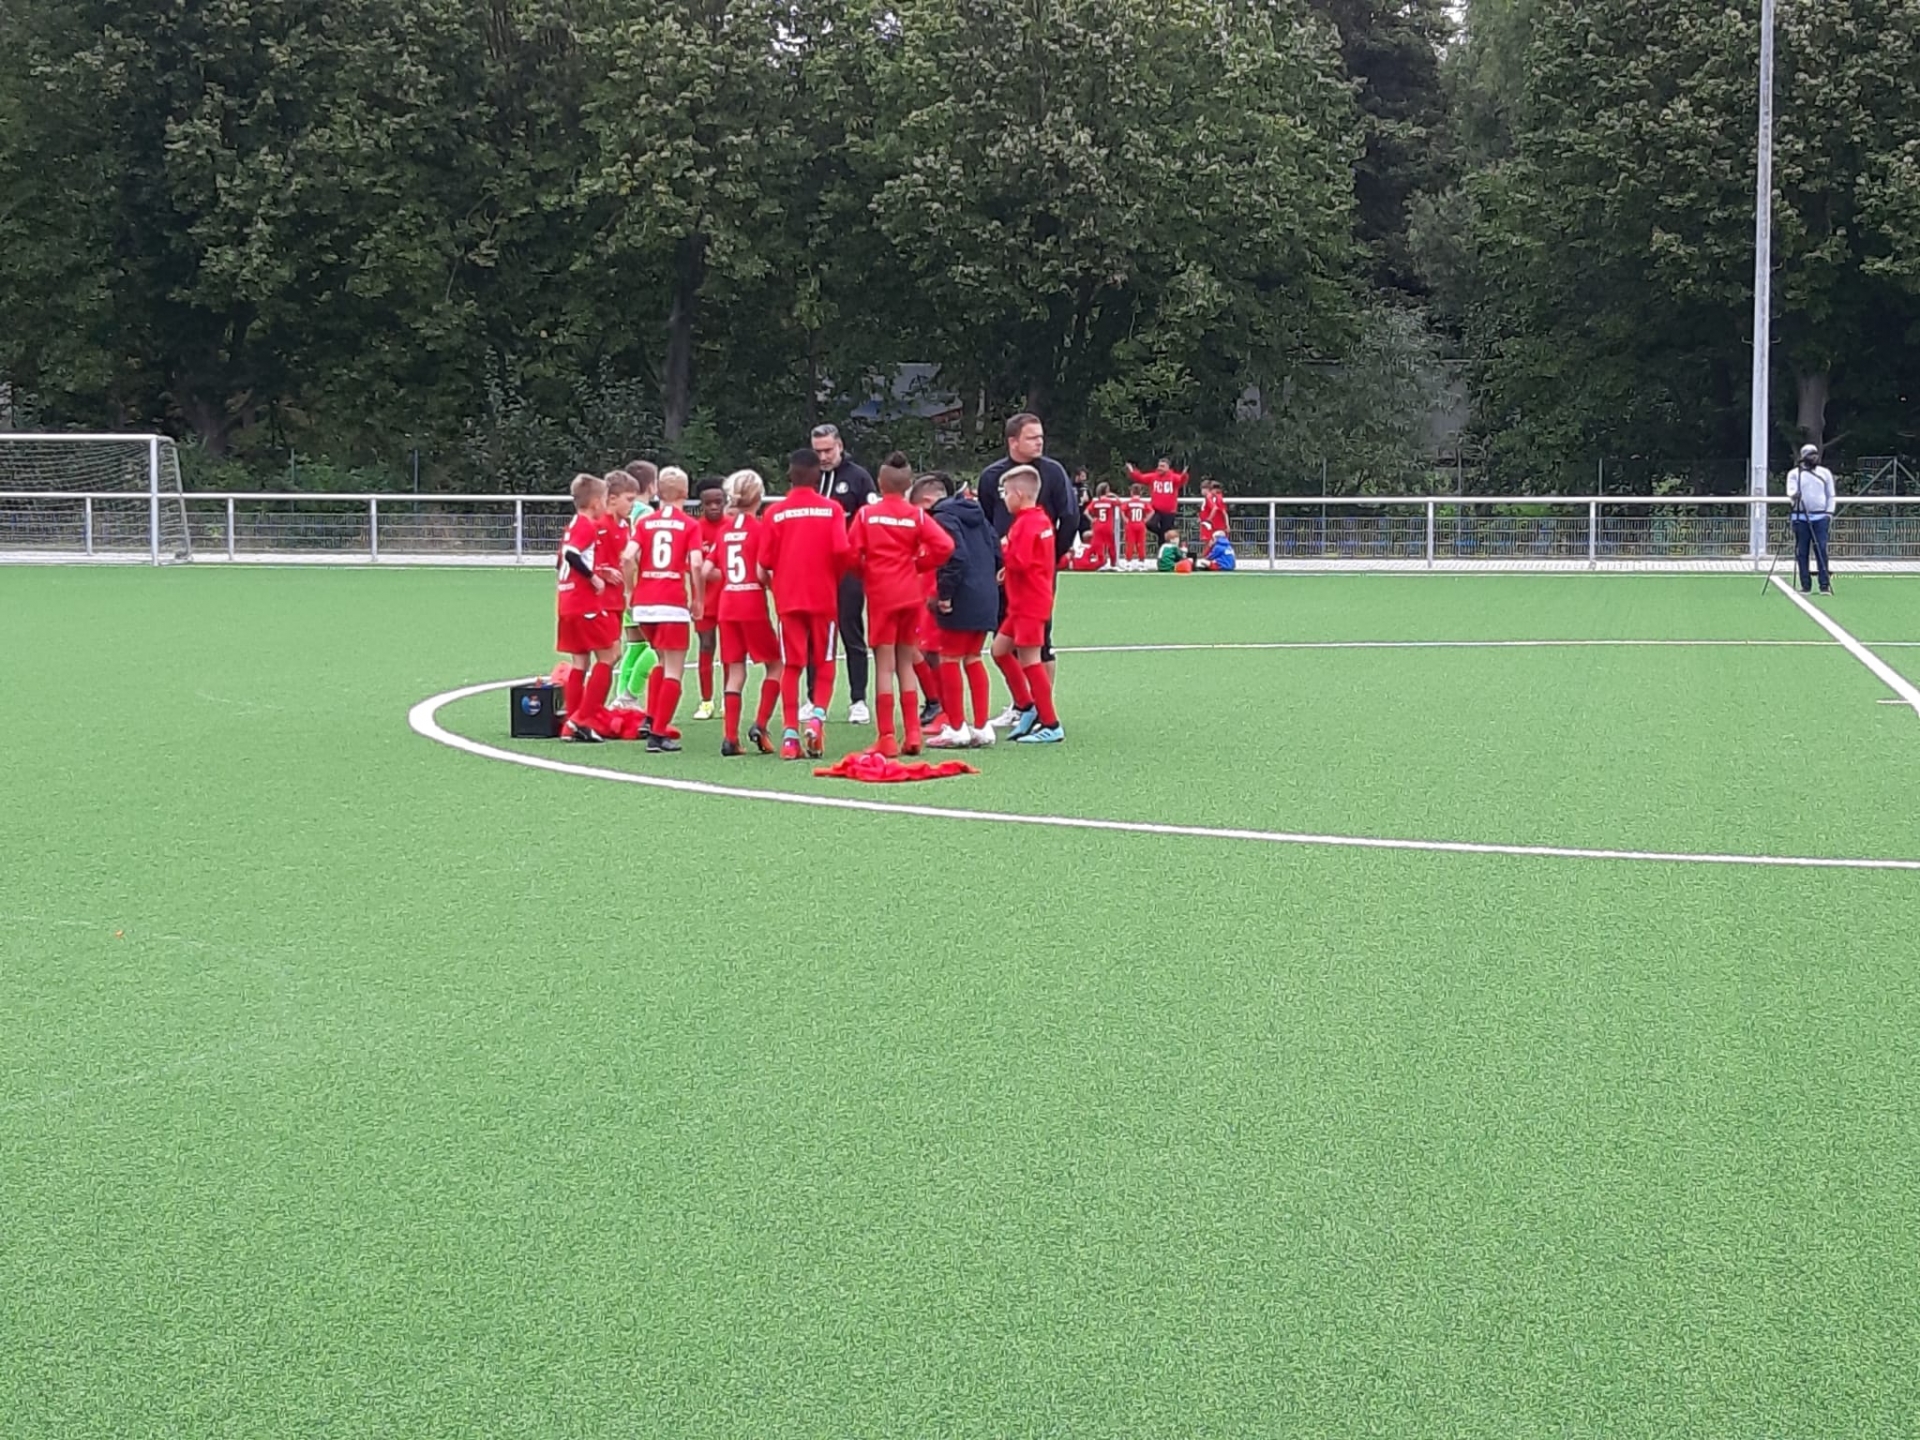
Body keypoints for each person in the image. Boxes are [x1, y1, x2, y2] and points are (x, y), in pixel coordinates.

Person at [848, 452, 955, 757]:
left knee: (884, 666)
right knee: (906, 661)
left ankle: (886, 736)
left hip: (881, 595)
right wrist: (919, 564)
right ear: (909, 486)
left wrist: (866, 571)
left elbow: (849, 553)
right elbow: (945, 546)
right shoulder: (916, 516)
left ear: (879, 483)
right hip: (910, 593)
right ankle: (912, 734)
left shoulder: (866, 515)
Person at [978, 413, 1079, 714]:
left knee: (1039, 640)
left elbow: (1070, 516)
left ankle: (1044, 710)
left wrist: (1050, 558)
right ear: (1013, 441)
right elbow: (985, 521)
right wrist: (994, 560)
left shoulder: (1053, 472)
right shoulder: (992, 476)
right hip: (1002, 572)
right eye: (1032, 437)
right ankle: (1021, 704)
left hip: (1036, 573)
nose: (1039, 442)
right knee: (1004, 638)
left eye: (1041, 437)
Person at [760, 449, 852, 759]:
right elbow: (842, 551)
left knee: (792, 664)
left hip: (788, 598)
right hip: (823, 596)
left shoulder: (774, 512)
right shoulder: (832, 509)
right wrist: (832, 578)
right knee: (825, 661)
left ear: (790, 474)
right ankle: (817, 719)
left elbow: (765, 559)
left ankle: (789, 736)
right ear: (817, 475)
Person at [922, 472, 1003, 749]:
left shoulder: (943, 518)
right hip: (986, 594)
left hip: (961, 595)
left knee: (949, 658)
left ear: (928, 500)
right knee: (973, 657)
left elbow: (954, 556)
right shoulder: (978, 514)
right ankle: (981, 726)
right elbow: (997, 550)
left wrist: (945, 594)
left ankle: (957, 727)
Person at [707, 469, 784, 757]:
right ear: (759, 497)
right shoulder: (760, 529)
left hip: (727, 603)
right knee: (775, 665)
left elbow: (706, 569)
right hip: (751, 602)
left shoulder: (724, 530)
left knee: (735, 669)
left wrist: (727, 579)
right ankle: (760, 724)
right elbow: (763, 571)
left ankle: (730, 737)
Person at [628, 469, 706, 753]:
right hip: (671, 604)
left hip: (644, 604)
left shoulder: (645, 523)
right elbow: (696, 563)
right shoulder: (689, 525)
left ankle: (650, 718)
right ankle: (658, 734)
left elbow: (628, 556)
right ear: (685, 493)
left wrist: (630, 590)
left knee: (661, 660)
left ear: (659, 492)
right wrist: (698, 598)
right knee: (674, 669)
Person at [990, 467, 1064, 743]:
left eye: (1006, 493)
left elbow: (1019, 560)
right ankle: (1027, 705)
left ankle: (1051, 723)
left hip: (1029, 602)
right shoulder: (1040, 519)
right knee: (999, 650)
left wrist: (1003, 547)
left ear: (1019, 494)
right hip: (1026, 599)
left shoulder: (1025, 524)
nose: (1004, 499)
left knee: (1030, 660)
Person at [812, 423, 877, 725]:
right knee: (815, 633)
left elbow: (871, 519)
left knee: (851, 630)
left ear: (840, 446)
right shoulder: (810, 477)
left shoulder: (859, 477)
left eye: (828, 450)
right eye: (818, 451)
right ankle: (813, 698)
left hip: (849, 568)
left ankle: (858, 699)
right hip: (816, 568)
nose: (823, 457)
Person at [554, 472, 624, 742]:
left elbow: (560, 560)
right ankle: (580, 720)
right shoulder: (587, 525)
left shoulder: (572, 524)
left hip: (566, 602)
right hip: (584, 604)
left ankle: (571, 723)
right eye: (605, 499)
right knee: (610, 655)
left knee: (580, 661)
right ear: (596, 502)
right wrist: (593, 577)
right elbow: (572, 555)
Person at [613, 462, 660, 706]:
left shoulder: (621, 511)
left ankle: (620, 700)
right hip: (643, 585)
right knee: (661, 644)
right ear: (652, 485)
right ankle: (629, 695)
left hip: (622, 584)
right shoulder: (646, 513)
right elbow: (641, 552)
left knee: (635, 643)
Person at [691, 476, 729, 720]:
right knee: (706, 646)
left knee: (729, 649)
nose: (714, 507)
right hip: (704, 599)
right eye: (708, 503)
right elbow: (690, 564)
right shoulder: (695, 529)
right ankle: (706, 701)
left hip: (729, 599)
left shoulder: (732, 526)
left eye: (718, 502)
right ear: (701, 504)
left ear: (725, 501)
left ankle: (728, 697)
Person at [1787, 443, 1836, 595]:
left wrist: (1829, 513)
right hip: (1800, 517)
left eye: (1815, 454)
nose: (1814, 457)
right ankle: (1805, 585)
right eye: (1810, 455)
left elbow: (1831, 495)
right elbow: (1791, 492)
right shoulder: (1795, 474)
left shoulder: (1825, 473)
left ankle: (1824, 585)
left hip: (1820, 517)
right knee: (1802, 551)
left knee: (1821, 549)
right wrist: (1795, 496)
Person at [1127, 456, 1189, 540]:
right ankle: (1161, 534)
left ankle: (1162, 543)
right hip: (1155, 509)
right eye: (1159, 466)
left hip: (1169, 511)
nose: (1160, 468)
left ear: (1168, 467)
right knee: (1149, 524)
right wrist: (1132, 470)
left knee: (1166, 533)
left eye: (1162, 466)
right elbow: (1140, 478)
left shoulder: (1173, 477)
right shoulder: (1153, 476)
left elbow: (1182, 480)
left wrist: (1184, 475)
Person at [1084, 482, 1119, 571]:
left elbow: (1086, 512)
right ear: (1106, 490)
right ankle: (1113, 564)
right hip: (1108, 526)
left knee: (1099, 545)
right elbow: (1119, 503)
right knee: (1111, 545)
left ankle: (1101, 563)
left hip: (1098, 526)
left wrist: (1092, 520)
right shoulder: (1110, 501)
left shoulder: (1095, 502)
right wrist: (1114, 495)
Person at [1121, 486, 1152, 569]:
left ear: (1131, 492)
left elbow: (1122, 510)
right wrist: (1145, 520)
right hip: (1140, 524)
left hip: (1131, 524)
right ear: (1140, 492)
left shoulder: (1128, 503)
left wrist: (1125, 519)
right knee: (1141, 543)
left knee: (1130, 543)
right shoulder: (1143, 503)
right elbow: (1151, 511)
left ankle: (1128, 562)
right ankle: (1141, 562)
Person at [1198, 480, 1229, 547]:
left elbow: (1216, 509)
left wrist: (1208, 519)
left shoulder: (1211, 497)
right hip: (1214, 525)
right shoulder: (1216, 498)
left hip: (1213, 526)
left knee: (1210, 544)